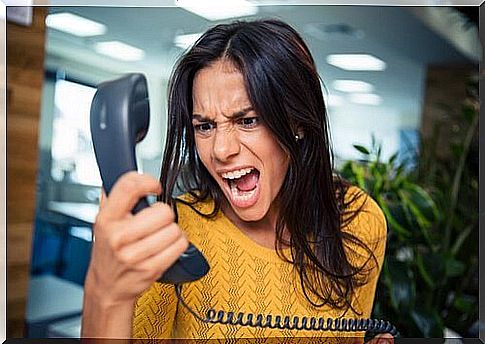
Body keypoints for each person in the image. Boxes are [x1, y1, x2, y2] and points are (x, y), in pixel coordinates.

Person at [81, 19, 391, 342]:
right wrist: (106, 296)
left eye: (247, 120)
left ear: (298, 121)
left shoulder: (360, 222)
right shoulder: (173, 235)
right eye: (204, 126)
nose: (221, 150)